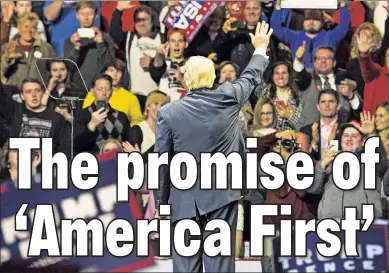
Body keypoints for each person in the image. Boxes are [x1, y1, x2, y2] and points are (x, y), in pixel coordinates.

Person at [153, 21, 273, 272]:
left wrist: (162, 203)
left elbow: (162, 164)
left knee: (186, 267)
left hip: (184, 200)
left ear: (187, 79)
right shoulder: (228, 97)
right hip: (221, 197)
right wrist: (260, 49)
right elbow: (251, 76)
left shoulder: (168, 113)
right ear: (213, 77)